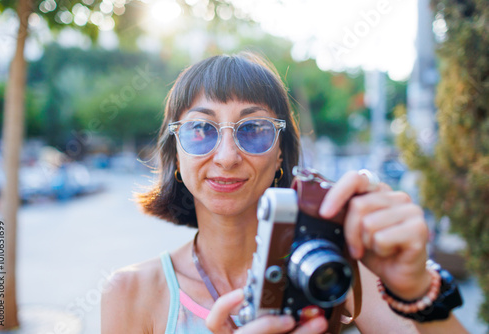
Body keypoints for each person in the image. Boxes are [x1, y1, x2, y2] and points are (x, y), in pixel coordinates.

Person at [101, 53, 467, 334]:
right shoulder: (131, 292)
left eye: (253, 129)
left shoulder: (336, 269)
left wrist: (418, 288)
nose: (227, 157)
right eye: (201, 129)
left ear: (279, 153)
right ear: (176, 153)